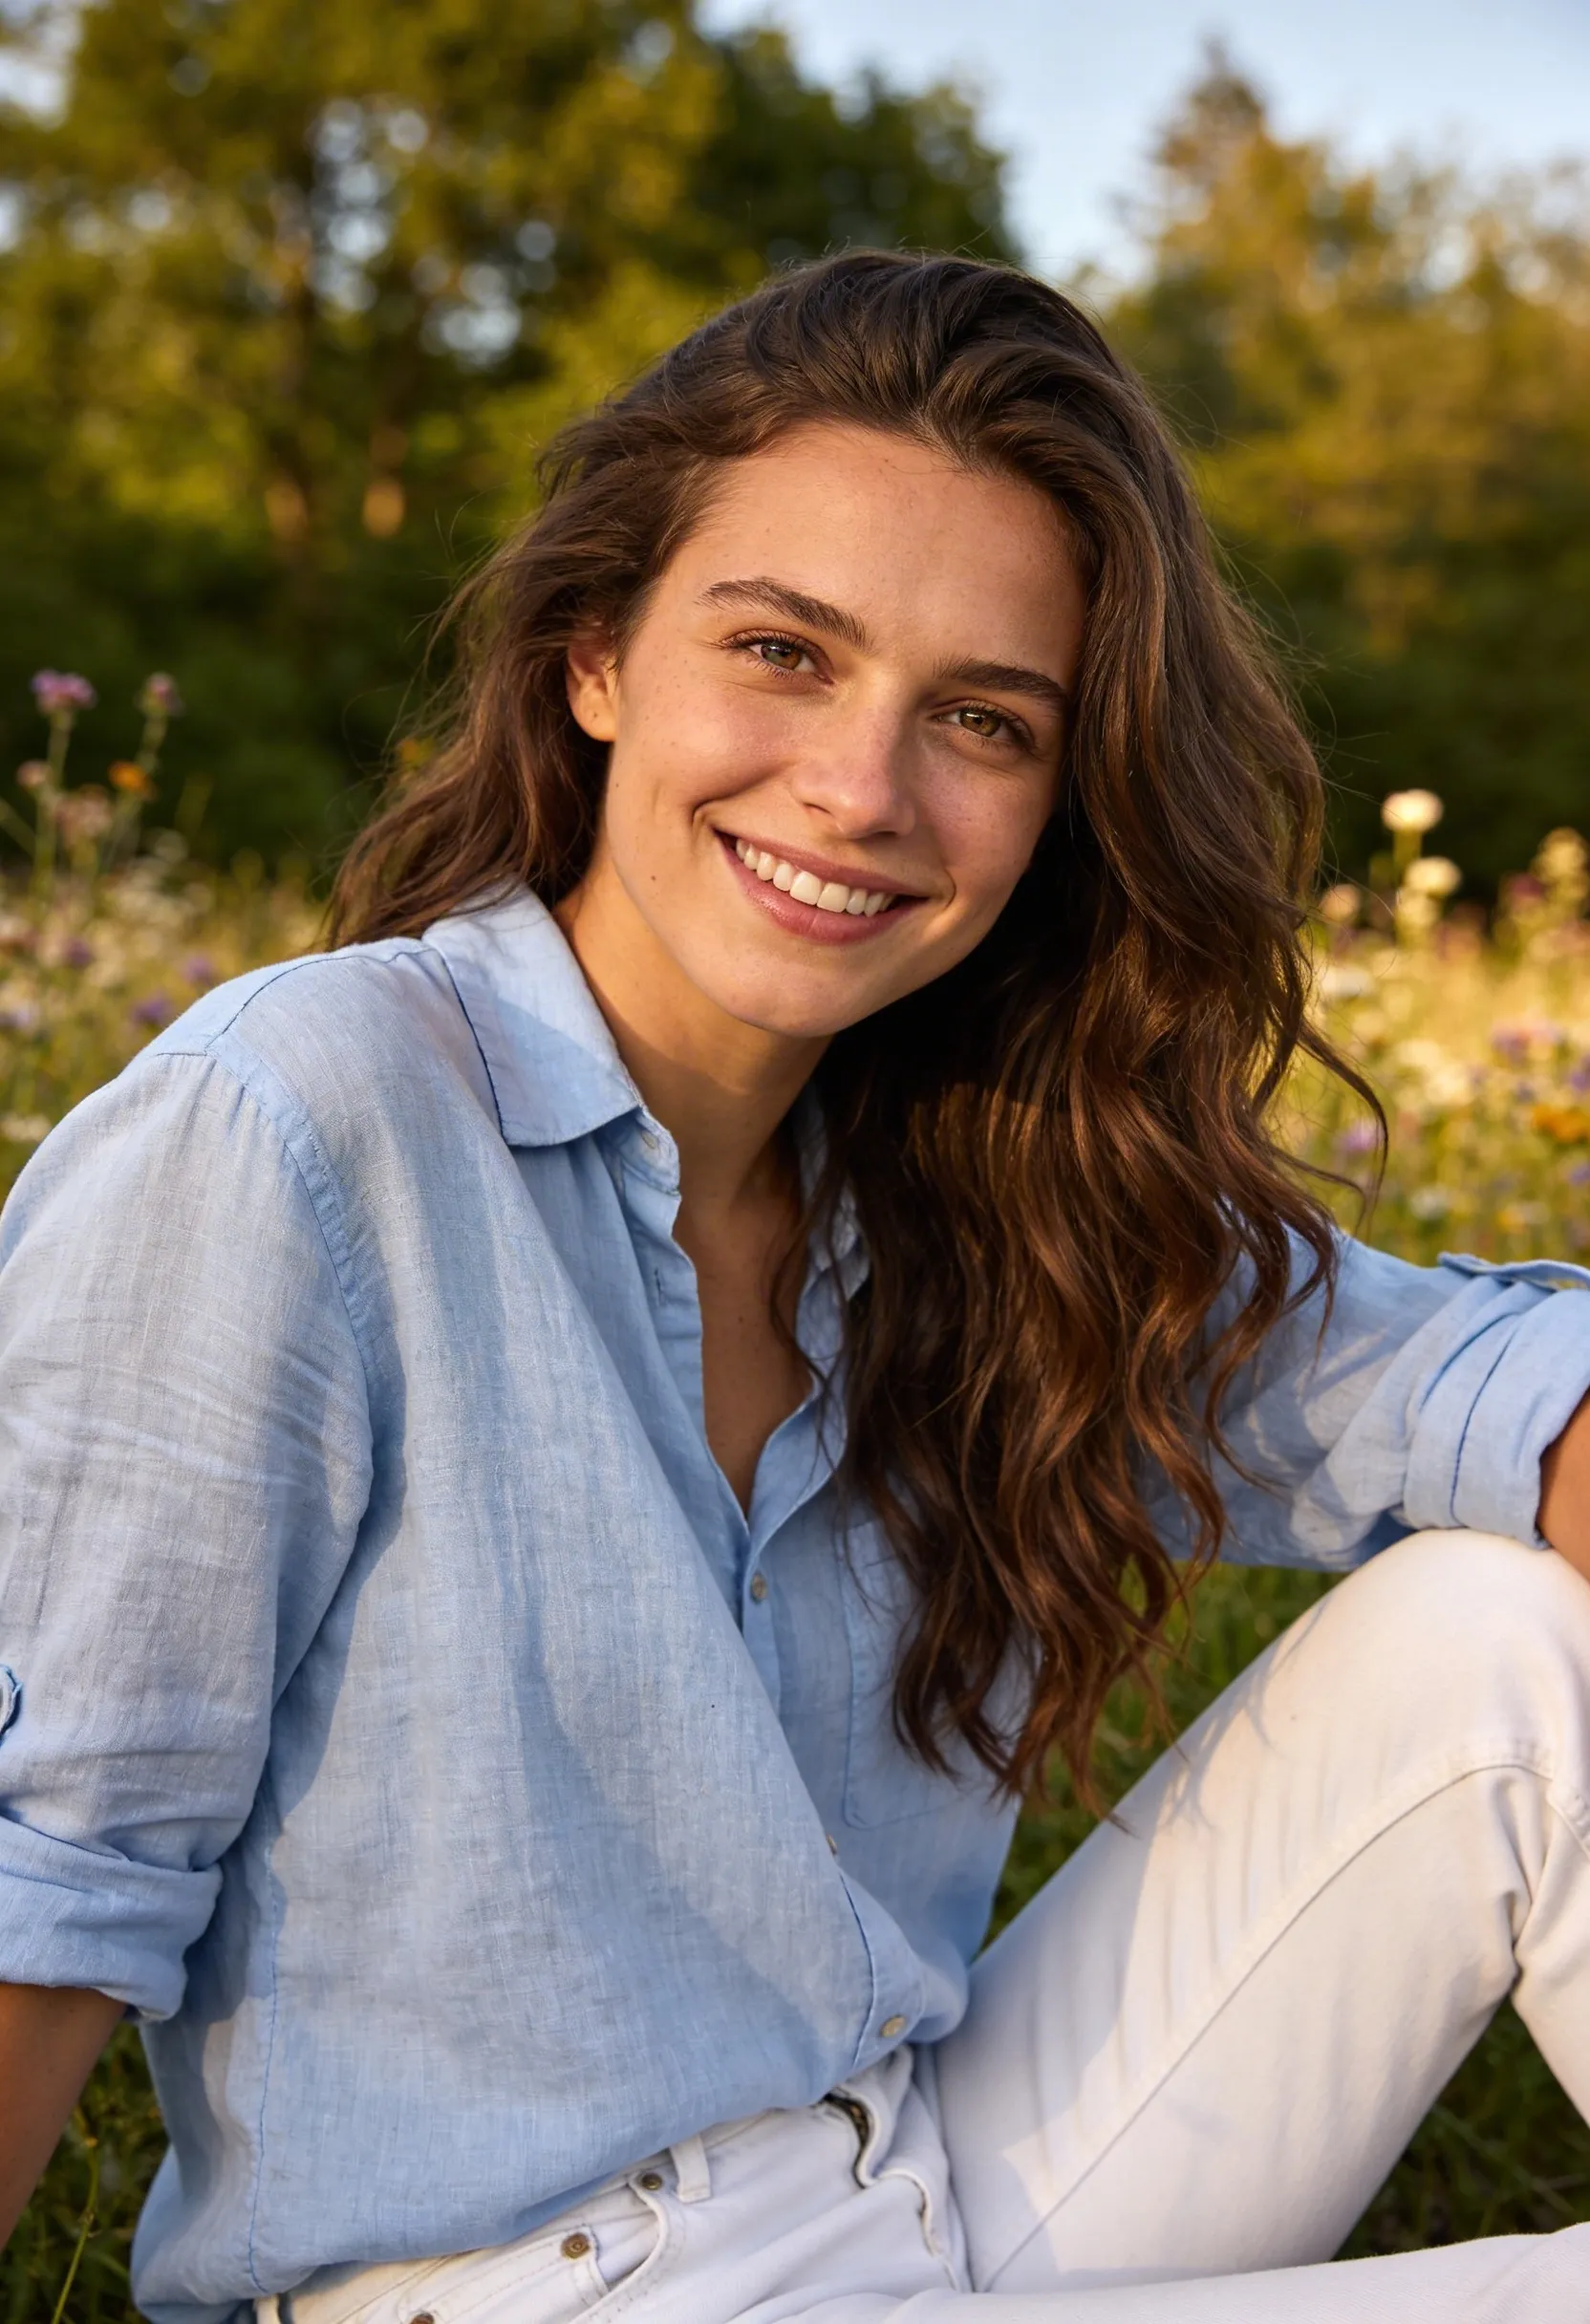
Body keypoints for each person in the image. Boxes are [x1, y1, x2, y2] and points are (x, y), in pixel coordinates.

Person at [3, 250, 1590, 2324]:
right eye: (782, 650)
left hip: (920, 2184)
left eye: (981, 720)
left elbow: (1488, 1385)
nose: (861, 791)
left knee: (1490, 1630)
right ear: (594, 657)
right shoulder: (299, 1125)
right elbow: (48, 1872)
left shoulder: (970, 1181)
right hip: (525, 2293)